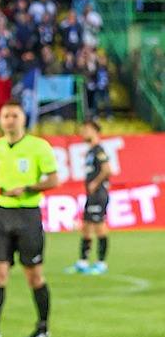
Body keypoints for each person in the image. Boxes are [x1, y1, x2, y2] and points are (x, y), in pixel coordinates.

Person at [0, 102, 59, 337]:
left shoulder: (38, 146)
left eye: (15, 115)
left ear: (23, 119)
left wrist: (28, 188)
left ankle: (42, 327)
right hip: (3, 216)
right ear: (0, 120)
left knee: (34, 276)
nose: (10, 120)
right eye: (6, 115)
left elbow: (53, 179)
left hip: (28, 216)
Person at [68, 118, 112, 275]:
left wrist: (95, 182)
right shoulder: (90, 151)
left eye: (86, 129)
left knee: (99, 227)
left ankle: (101, 263)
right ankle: (83, 262)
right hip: (91, 194)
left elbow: (107, 169)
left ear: (95, 131)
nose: (83, 132)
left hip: (98, 193)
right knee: (86, 228)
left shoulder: (99, 150)